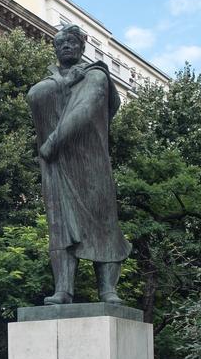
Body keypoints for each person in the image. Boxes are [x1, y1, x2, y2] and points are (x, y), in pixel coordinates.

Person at [27, 24, 132, 305]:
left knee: (103, 224)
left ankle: (108, 290)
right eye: (61, 42)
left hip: (91, 161)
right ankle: (63, 289)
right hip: (58, 167)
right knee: (59, 225)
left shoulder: (95, 75)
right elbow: (35, 97)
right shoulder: (52, 80)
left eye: (72, 42)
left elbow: (86, 109)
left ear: (82, 47)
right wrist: (63, 85)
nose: (67, 46)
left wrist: (53, 141)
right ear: (55, 48)